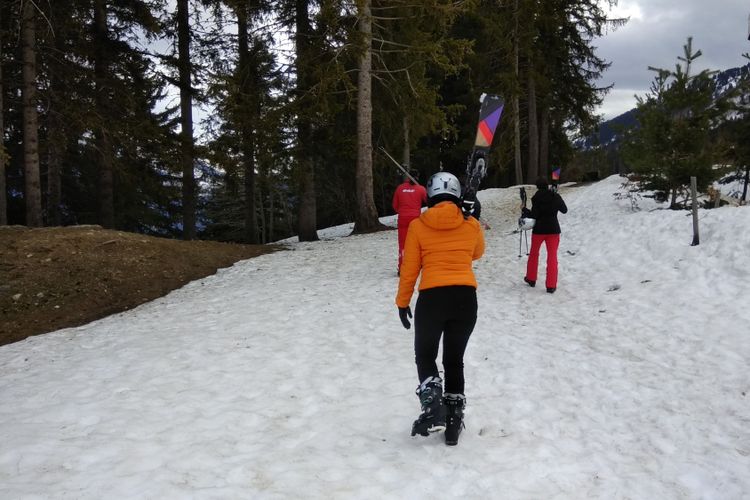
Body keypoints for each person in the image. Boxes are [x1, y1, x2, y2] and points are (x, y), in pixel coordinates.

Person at [395, 171, 485, 446]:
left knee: (425, 355)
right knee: (453, 359)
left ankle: (434, 408)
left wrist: (402, 302)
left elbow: (410, 268)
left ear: (430, 195)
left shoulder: (419, 226)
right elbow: (477, 253)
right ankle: (454, 420)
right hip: (465, 298)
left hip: (432, 298)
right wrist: (472, 219)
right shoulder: (469, 224)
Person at [524, 177, 568, 293]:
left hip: (539, 230)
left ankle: (531, 278)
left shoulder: (536, 198)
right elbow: (564, 210)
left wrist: (525, 210)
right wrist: (557, 199)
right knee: (552, 257)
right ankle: (551, 285)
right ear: (547, 185)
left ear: (537, 187)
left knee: (534, 254)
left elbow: (534, 215)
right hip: (553, 230)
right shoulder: (555, 196)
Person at [392, 168, 427, 274]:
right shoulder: (421, 189)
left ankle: (402, 267)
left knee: (403, 244)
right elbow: (428, 201)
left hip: (403, 219)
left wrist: (402, 211)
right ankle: (417, 265)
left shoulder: (400, 188)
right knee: (417, 243)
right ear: (417, 177)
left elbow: (395, 205)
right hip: (415, 219)